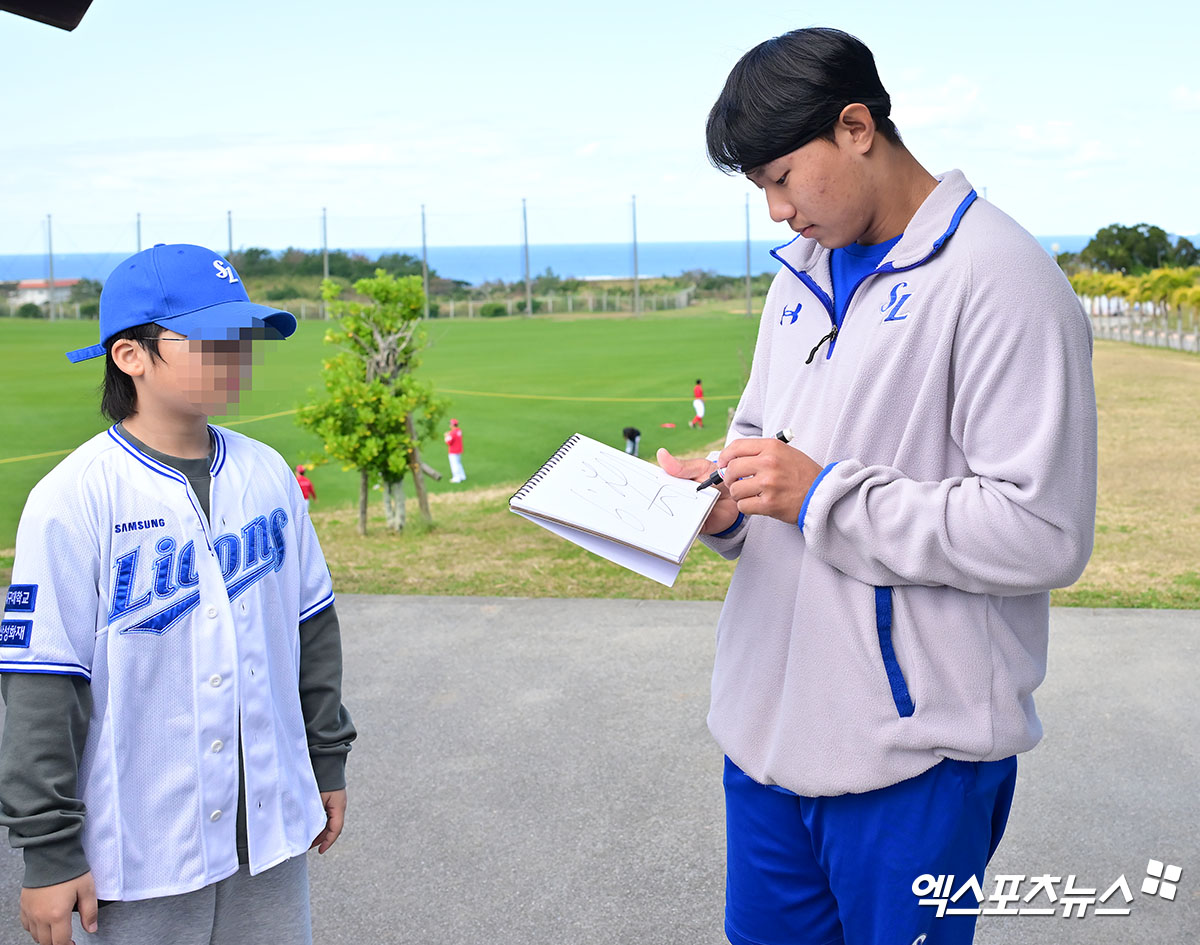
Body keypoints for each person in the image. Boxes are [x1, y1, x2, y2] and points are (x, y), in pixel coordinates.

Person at [656, 28, 1097, 945]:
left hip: (914, 763)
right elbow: (759, 441)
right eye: (760, 190)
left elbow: (1044, 529)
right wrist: (726, 499)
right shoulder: (799, 275)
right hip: (765, 744)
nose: (775, 212)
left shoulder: (1003, 277)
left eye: (782, 178)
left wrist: (824, 496)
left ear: (856, 127)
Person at [0, 243, 357, 945]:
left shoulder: (268, 472)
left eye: (243, 335)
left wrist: (326, 758)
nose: (236, 353)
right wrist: (48, 851)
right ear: (130, 355)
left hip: (270, 829)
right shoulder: (73, 497)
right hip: (140, 842)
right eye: (211, 338)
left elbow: (311, 626)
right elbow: (43, 682)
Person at [445, 417, 466, 483]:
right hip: (459, 450)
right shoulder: (459, 431)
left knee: (454, 464)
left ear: (452, 425)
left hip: (453, 451)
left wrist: (446, 436)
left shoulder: (452, 433)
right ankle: (462, 476)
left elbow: (448, 442)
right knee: (458, 463)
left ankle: (456, 478)